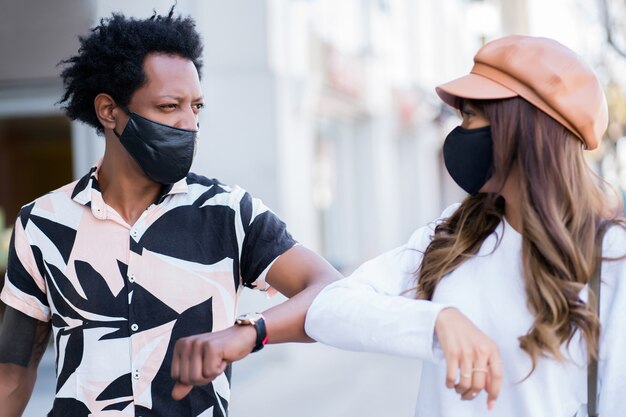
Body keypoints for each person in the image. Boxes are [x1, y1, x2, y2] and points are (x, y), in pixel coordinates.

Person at [0, 8, 343, 417]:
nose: (190, 124)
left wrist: (249, 332)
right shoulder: (41, 223)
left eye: (196, 106)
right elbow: (12, 374)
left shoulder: (229, 212)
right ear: (110, 111)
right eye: (169, 106)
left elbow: (332, 292)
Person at [305, 35, 626, 417]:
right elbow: (328, 309)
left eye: (471, 116)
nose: (459, 134)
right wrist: (437, 321)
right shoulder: (453, 235)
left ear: (522, 126)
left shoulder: (611, 256)